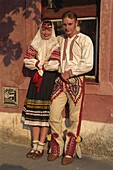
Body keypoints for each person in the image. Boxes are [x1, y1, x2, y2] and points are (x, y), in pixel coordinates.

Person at [47, 11, 94, 165]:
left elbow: (88, 63)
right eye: (64, 24)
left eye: (69, 24)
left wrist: (71, 72)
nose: (67, 27)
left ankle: (71, 148)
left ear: (76, 23)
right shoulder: (59, 39)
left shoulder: (84, 40)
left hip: (75, 81)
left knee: (74, 117)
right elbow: (50, 53)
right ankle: (56, 146)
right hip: (60, 80)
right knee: (53, 113)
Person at [21, 19, 60, 159]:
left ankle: (41, 147)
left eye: (49, 29)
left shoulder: (55, 44)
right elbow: (26, 61)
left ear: (52, 30)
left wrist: (41, 65)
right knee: (34, 114)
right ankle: (34, 146)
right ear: (41, 30)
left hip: (48, 81)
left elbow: (55, 65)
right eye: (44, 29)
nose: (46, 32)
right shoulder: (35, 43)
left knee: (44, 114)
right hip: (36, 80)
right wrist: (39, 63)